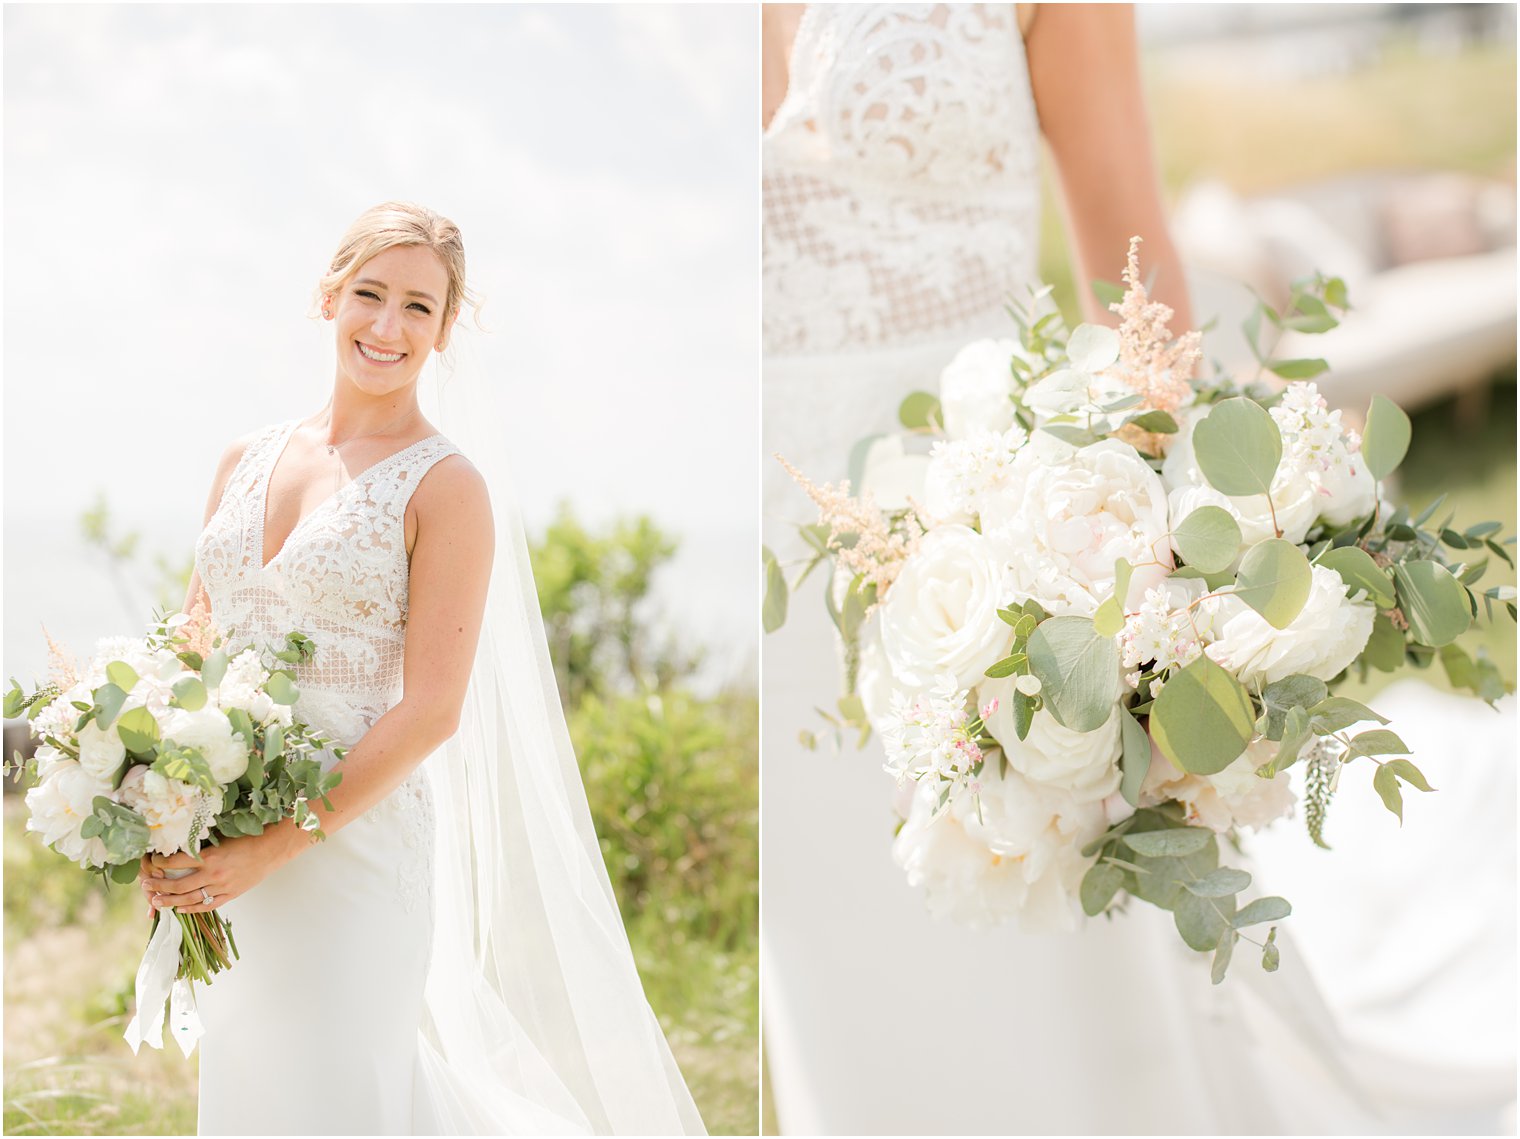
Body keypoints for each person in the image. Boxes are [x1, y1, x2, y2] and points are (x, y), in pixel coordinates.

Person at [762, 5, 1512, 1134]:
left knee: (1049, 935)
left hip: (996, 527)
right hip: (772, 558)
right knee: (841, 956)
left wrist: (1174, 559)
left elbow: (1136, 285)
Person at [139, 202, 707, 1136]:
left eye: (419, 307)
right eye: (370, 294)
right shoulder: (244, 458)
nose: (388, 326)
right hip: (219, 838)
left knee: (345, 1092)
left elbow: (434, 709)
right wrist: (158, 799)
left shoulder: (447, 489)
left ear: (446, 330)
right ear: (329, 296)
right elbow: (191, 644)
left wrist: (274, 844)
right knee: (247, 1091)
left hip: (346, 851)